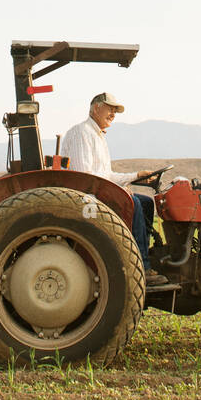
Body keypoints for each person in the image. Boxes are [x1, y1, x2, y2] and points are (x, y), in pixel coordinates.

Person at [60, 92, 168, 287]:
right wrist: (119, 191)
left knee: (145, 202)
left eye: (115, 111)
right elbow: (85, 176)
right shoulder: (82, 132)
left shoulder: (98, 136)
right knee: (132, 203)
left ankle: (146, 254)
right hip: (86, 196)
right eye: (110, 109)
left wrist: (136, 176)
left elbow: (106, 175)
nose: (113, 114)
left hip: (97, 190)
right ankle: (141, 266)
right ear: (96, 108)